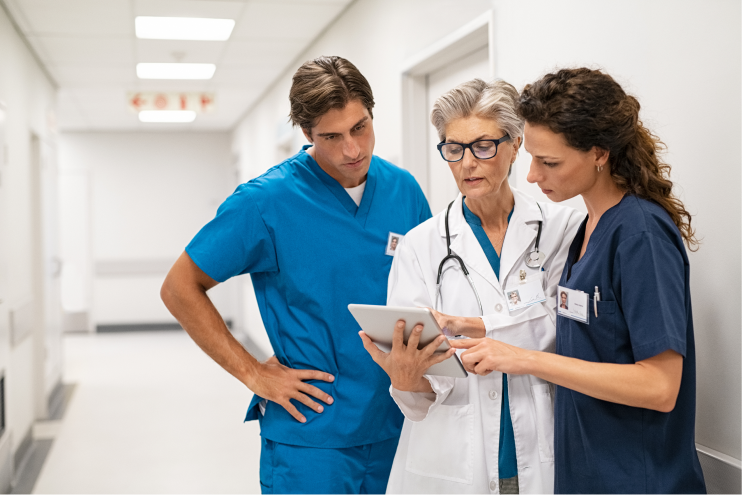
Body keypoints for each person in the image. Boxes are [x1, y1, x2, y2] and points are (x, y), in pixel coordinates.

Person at [161, 56, 432, 495]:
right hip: (313, 436)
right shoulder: (265, 203)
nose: (352, 149)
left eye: (360, 127)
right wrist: (252, 373)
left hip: (400, 421)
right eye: (332, 136)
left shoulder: (404, 190)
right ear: (306, 134)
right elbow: (178, 288)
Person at [450, 68, 707, 495]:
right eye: (531, 157)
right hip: (587, 475)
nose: (532, 175)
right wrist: (486, 329)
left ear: (599, 153)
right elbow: (588, 334)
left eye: (549, 162)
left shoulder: (639, 234)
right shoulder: (587, 227)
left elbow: (660, 386)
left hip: (639, 480)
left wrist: (522, 359)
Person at [360, 79, 583, 495]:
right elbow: (418, 393)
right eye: (454, 148)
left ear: (516, 144)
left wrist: (483, 329)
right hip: (456, 457)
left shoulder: (562, 230)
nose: (467, 163)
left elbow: (567, 333)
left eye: (483, 146)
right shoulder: (420, 246)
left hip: (543, 445)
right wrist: (407, 379)